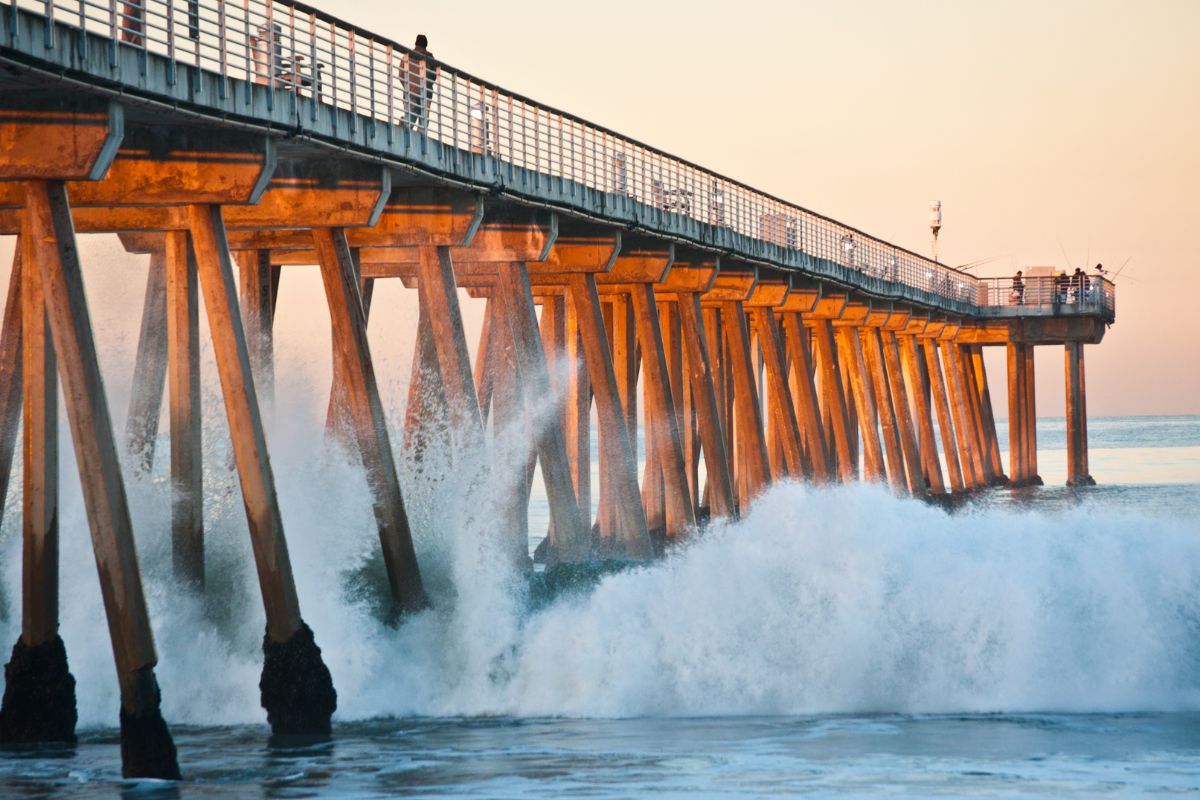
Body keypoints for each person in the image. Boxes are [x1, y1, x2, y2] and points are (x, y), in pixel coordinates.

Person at [400, 35, 438, 130]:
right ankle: (421, 140)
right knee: (423, 125)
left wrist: (408, 86)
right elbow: (434, 76)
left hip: (410, 93)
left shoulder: (407, 56)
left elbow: (401, 75)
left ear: (415, 44)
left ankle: (403, 126)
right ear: (426, 45)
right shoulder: (429, 58)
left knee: (409, 121)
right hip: (425, 94)